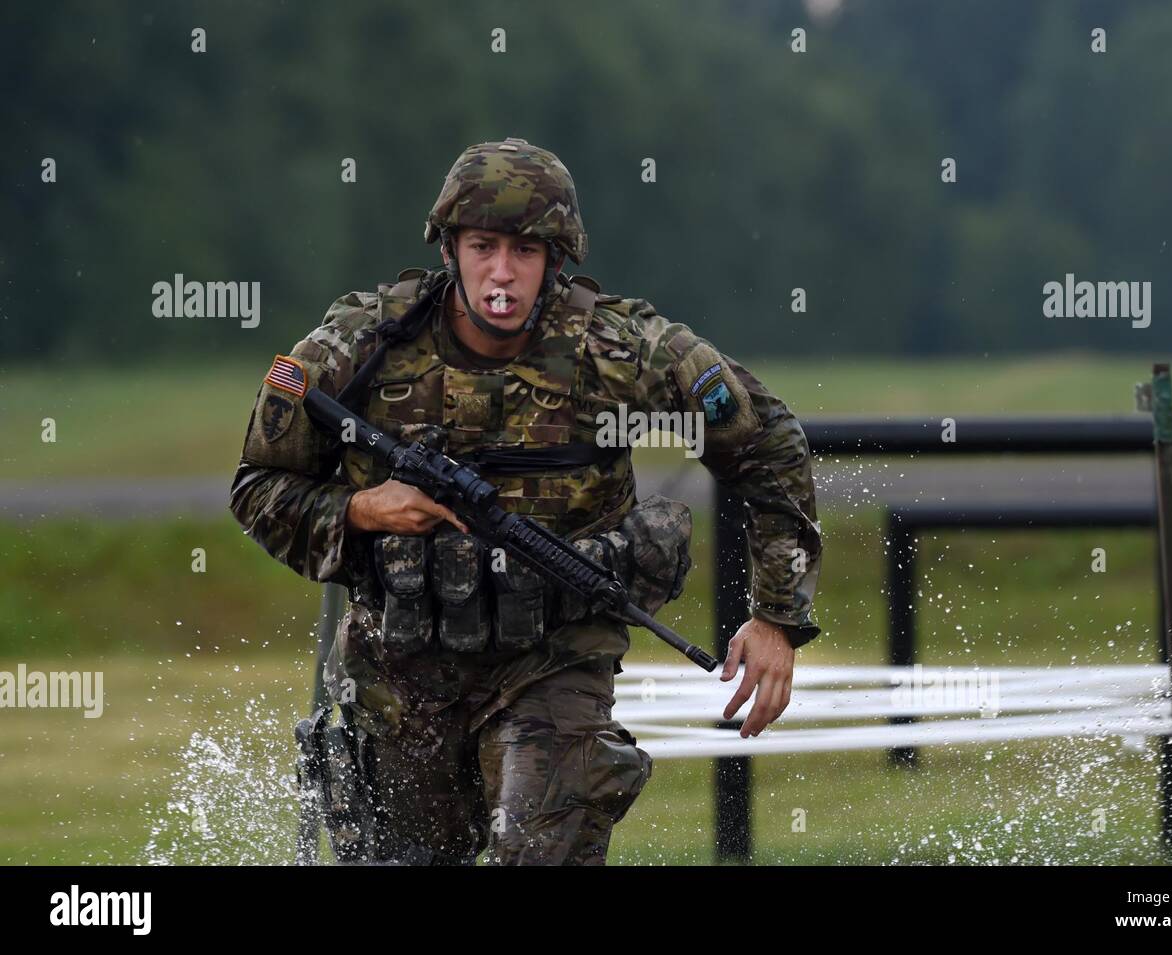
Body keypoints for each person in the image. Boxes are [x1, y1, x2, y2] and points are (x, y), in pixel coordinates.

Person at [230, 137, 822, 865]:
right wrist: (361, 510)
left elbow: (767, 443)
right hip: (400, 669)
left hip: (554, 660)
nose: (501, 273)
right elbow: (258, 485)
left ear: (557, 259)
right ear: (450, 249)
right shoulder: (358, 348)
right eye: (483, 246)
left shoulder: (620, 352)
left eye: (525, 250)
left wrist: (776, 617)